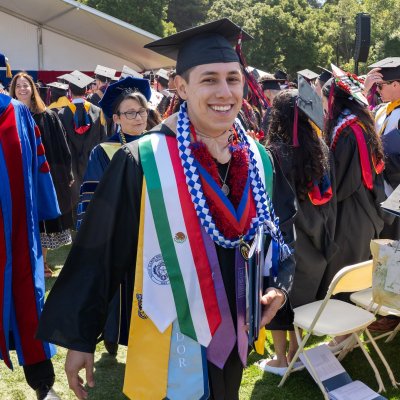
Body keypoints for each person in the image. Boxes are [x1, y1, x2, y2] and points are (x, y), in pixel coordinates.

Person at [37, 18, 296, 400]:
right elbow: (100, 253)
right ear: (180, 86)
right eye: (209, 79)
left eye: (233, 78)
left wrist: (279, 287)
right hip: (172, 333)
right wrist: (80, 338)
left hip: (238, 334)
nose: (224, 91)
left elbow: (283, 233)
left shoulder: (260, 160)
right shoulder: (143, 160)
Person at [257, 83, 337, 374]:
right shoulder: (320, 147)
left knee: (279, 295)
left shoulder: (273, 153)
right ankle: (295, 351)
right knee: (302, 300)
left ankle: (280, 358)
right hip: (315, 232)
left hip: (285, 235)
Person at [76, 77, 156, 356]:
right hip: (119, 231)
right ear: (117, 118)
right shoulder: (104, 151)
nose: (138, 118)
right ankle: (112, 334)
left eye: (142, 112)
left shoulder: (159, 146)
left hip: (156, 231)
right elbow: (94, 196)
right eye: (130, 113)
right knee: (118, 286)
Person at [0, 53, 61, 400]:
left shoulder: (20, 113)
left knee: (26, 299)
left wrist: (50, 215)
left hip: (18, 232)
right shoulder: (20, 113)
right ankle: (43, 384)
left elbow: (39, 165)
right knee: (24, 298)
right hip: (18, 232)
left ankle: (43, 384)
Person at [321, 66, 387, 349]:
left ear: (334, 100)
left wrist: (324, 192)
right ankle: (353, 332)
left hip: (352, 214)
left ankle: (345, 336)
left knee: (348, 273)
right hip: (367, 209)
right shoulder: (360, 123)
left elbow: (345, 182)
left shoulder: (347, 130)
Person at [9, 72, 74, 278]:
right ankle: (25, 262)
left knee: (42, 220)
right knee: (22, 219)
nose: (22, 89)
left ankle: (43, 262)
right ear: (13, 90)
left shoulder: (47, 115)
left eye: (26, 85)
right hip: (17, 176)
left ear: (33, 89)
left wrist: (66, 172)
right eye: (18, 86)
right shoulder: (8, 116)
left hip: (43, 176)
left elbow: (62, 147)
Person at [57, 71, 107, 224]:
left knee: (74, 191)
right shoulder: (98, 111)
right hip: (92, 159)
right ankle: (90, 218)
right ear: (87, 90)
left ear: (69, 91)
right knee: (91, 190)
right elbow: (103, 138)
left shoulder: (61, 113)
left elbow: (60, 142)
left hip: (70, 161)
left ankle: (74, 220)